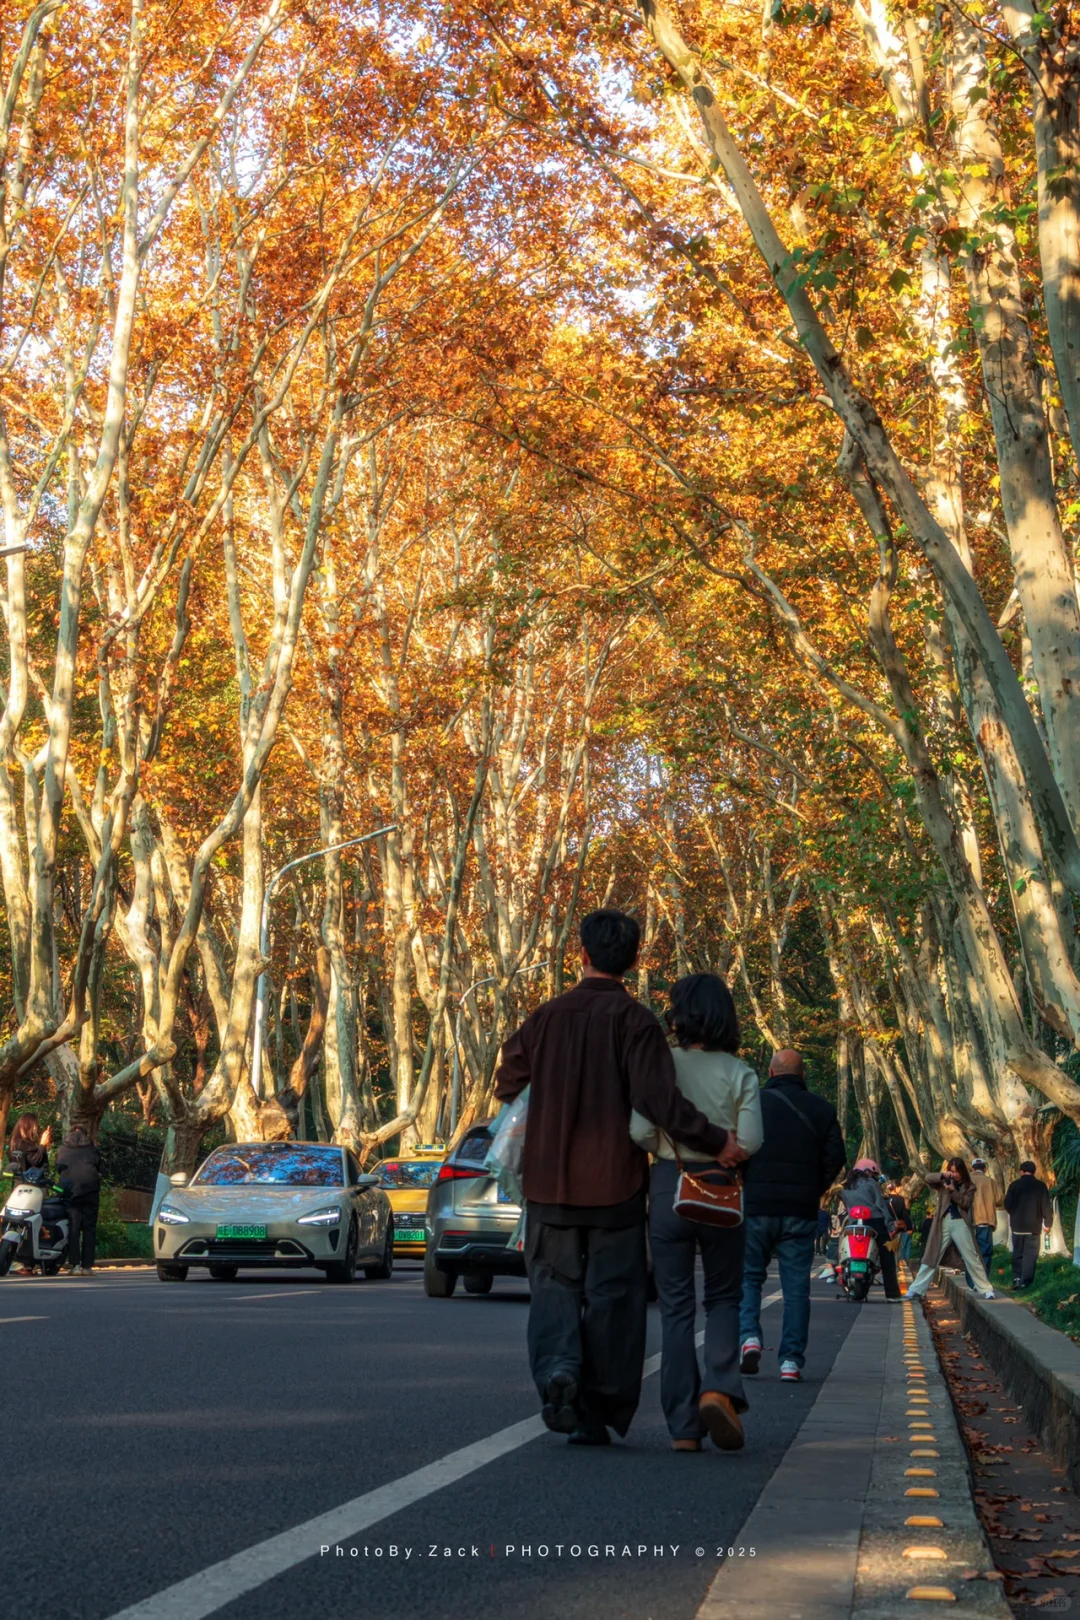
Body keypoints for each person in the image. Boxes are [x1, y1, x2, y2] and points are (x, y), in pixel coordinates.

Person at [494, 909, 739, 1446]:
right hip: (616, 1186)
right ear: (633, 960)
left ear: (581, 954)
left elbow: (508, 1079)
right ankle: (596, 1408)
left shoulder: (545, 1018)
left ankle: (559, 1369)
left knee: (554, 1288)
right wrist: (716, 1140)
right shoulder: (637, 1022)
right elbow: (658, 1101)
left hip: (549, 1184)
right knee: (613, 1298)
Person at [630, 973, 763, 1453]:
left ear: (678, 1014)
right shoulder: (740, 1071)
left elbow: (640, 1130)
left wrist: (671, 1147)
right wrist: (723, 1149)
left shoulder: (662, 1064)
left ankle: (683, 1427)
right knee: (725, 1295)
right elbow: (749, 1142)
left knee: (676, 1307)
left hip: (669, 1186)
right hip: (722, 1189)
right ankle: (718, 1388)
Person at [738, 1048, 845, 1383]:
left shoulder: (752, 1103)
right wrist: (814, 1187)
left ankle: (749, 1338)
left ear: (770, 1072)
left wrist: (747, 1180)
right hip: (800, 1209)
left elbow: (738, 1148)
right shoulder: (822, 1109)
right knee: (796, 1286)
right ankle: (790, 1363)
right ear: (803, 1076)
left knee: (749, 1277)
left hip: (757, 1206)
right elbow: (836, 1156)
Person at [905, 1159, 995, 1300]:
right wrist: (943, 1175)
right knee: (931, 1257)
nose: (955, 1174)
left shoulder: (969, 1185)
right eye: (952, 1171)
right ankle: (916, 1289)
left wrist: (953, 1191)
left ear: (962, 1171)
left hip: (960, 1222)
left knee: (972, 1257)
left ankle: (986, 1289)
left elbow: (965, 1203)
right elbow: (928, 1178)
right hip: (943, 1222)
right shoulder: (943, 1182)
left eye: (957, 1171)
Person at [840, 1160, 902, 1302]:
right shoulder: (871, 1183)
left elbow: (848, 1208)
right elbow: (880, 1205)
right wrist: (890, 1225)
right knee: (887, 1257)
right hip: (876, 1222)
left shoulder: (846, 1187)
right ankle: (892, 1294)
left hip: (855, 1224)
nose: (873, 1176)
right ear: (867, 1171)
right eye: (873, 1173)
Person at [56, 1126, 102, 1276]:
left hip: (71, 1191)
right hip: (90, 1190)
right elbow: (99, 1166)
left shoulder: (63, 1149)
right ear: (86, 1134)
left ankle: (74, 1265)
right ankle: (87, 1266)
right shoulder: (92, 1149)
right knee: (89, 1228)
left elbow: (58, 1167)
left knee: (73, 1228)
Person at [1004, 1161, 1053, 1290]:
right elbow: (1046, 1206)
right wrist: (1048, 1223)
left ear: (1021, 1171)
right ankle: (1025, 1282)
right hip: (1033, 1227)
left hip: (1017, 1226)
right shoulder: (1040, 1186)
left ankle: (1016, 1278)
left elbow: (1007, 1204)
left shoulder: (1014, 1185)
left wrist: (1014, 1214)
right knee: (1030, 1255)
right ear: (1034, 1171)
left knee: (1017, 1253)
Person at [970, 1158, 998, 1274]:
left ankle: (972, 1278)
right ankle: (983, 1277)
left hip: (969, 1222)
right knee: (985, 1251)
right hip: (986, 1221)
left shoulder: (967, 1181)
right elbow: (1000, 1199)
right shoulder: (990, 1181)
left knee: (971, 1251)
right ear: (985, 1169)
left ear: (972, 1168)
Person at [6, 1113, 52, 1183]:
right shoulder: (24, 1144)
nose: (35, 1129)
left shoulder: (14, 1142)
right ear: (27, 1126)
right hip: (31, 1182)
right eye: (34, 1126)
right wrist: (42, 1144)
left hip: (18, 1182)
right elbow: (36, 1160)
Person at [887, 1182, 913, 1262]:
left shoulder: (884, 1198)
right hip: (896, 1228)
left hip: (885, 1227)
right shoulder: (900, 1199)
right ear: (896, 1188)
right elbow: (904, 1214)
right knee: (896, 1249)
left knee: (885, 1248)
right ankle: (894, 1268)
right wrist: (909, 1227)